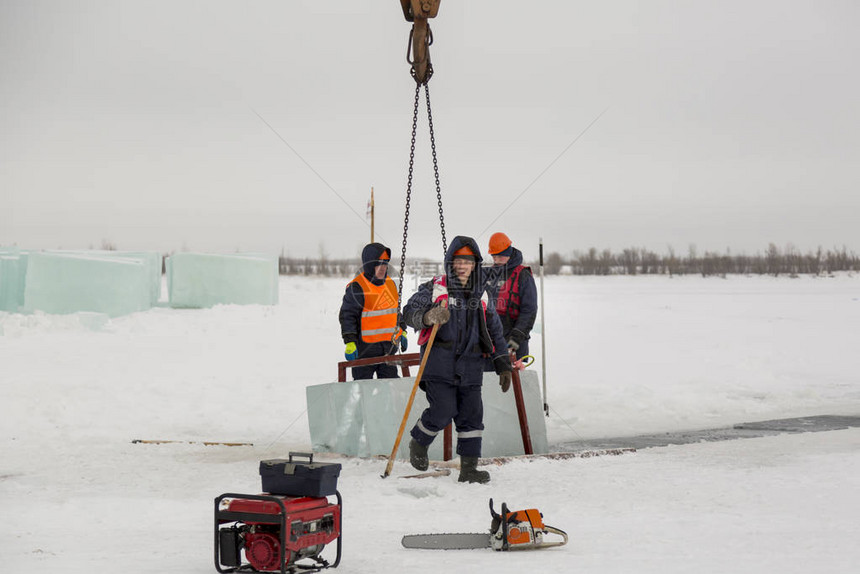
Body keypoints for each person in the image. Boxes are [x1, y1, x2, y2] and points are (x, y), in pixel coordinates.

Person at [402, 236, 513, 483]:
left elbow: (494, 330)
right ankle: (418, 442)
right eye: (457, 261)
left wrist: (502, 362)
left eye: (467, 261)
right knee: (444, 410)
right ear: (450, 263)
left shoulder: (481, 295)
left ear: (475, 264)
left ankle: (469, 469)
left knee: (472, 417)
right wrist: (428, 316)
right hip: (439, 364)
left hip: (471, 365)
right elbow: (408, 313)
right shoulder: (436, 287)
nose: (462, 266)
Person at [339, 243, 407, 380]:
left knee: (391, 391)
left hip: (388, 351)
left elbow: (395, 312)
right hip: (364, 353)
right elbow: (348, 316)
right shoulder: (357, 287)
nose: (383, 267)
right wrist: (350, 341)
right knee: (364, 393)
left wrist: (402, 330)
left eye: (385, 263)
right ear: (370, 264)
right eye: (379, 264)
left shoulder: (390, 284)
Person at [483, 232, 538, 364]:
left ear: (508, 253)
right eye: (494, 256)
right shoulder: (490, 274)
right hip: (491, 341)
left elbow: (529, 311)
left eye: (500, 256)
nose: (496, 259)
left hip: (514, 340)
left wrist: (516, 338)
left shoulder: (523, 276)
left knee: (513, 382)